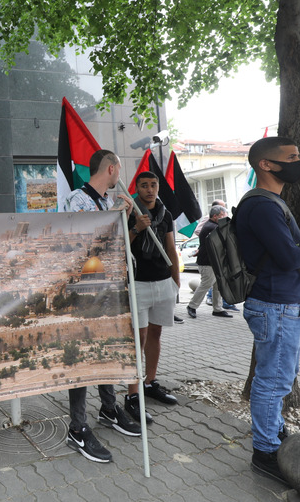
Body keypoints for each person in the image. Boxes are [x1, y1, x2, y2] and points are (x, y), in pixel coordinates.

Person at [236, 136, 300, 485]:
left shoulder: (269, 203)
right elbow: (288, 257)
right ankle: (265, 451)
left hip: (283, 303)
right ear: (266, 164)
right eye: (292, 157)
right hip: (276, 307)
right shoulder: (263, 206)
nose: (299, 162)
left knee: (278, 379)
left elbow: (281, 261)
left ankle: (274, 436)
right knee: (273, 381)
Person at [60, 149, 141, 463]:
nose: (120, 177)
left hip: (110, 290)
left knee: (107, 349)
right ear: (111, 169)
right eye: (119, 170)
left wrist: (128, 222)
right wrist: (115, 219)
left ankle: (109, 408)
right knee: (82, 358)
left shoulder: (109, 203)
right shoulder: (75, 201)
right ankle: (77, 427)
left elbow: (117, 248)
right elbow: (78, 245)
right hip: (84, 293)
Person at [123, 171, 181, 426]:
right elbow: (119, 245)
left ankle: (150, 382)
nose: (149, 189)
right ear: (136, 188)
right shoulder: (128, 210)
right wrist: (136, 227)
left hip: (162, 281)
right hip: (137, 282)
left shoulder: (165, 213)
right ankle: (132, 395)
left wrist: (175, 281)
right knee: (139, 336)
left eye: (153, 185)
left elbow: (171, 248)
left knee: (156, 334)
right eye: (144, 185)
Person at [185, 205, 231, 318]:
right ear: (215, 216)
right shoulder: (212, 227)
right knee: (206, 284)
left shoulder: (212, 225)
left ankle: (218, 309)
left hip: (214, 262)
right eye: (223, 215)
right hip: (207, 262)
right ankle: (192, 306)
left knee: (218, 285)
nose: (225, 217)